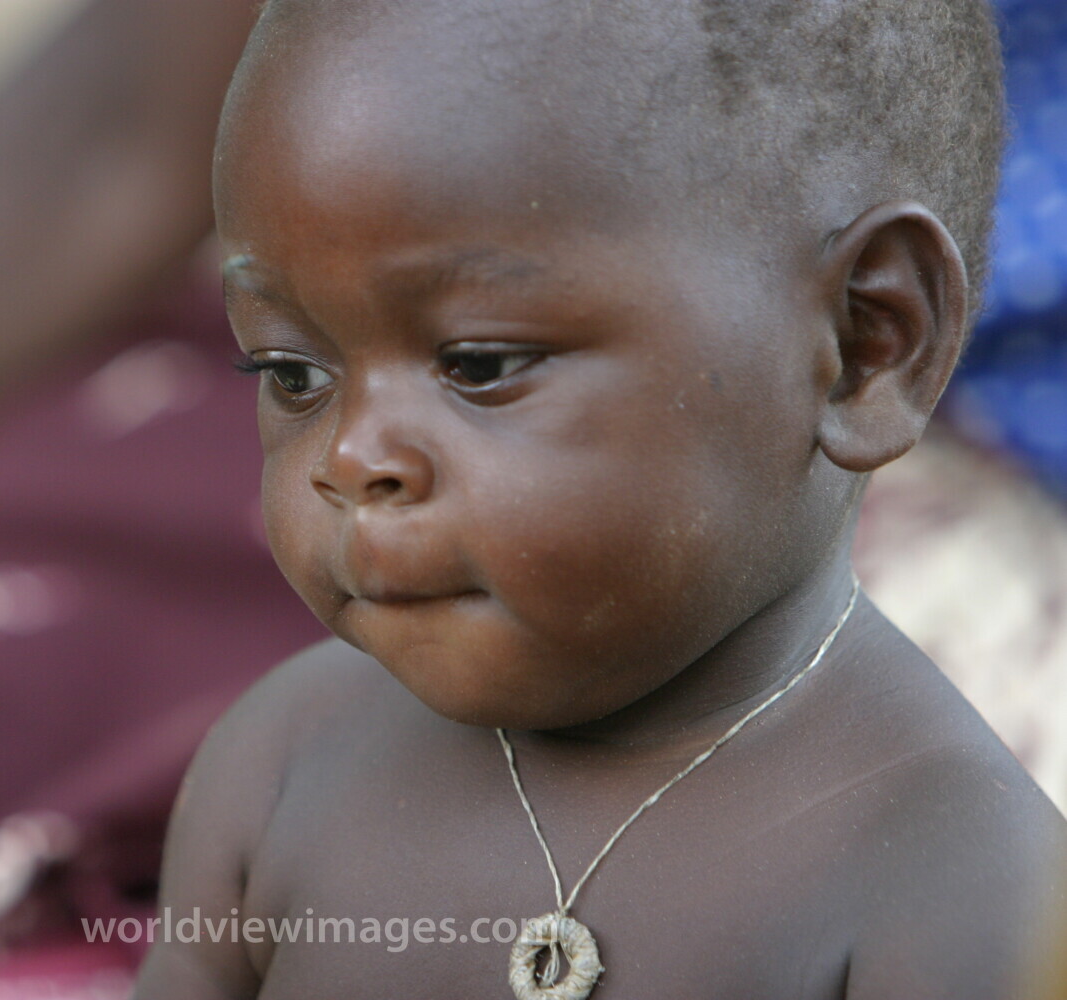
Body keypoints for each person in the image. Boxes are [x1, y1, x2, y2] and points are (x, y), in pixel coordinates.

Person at [136, 1, 1067, 998]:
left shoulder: (960, 883)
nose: (353, 455)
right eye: (291, 372)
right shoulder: (281, 760)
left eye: (479, 363)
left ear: (862, 344)